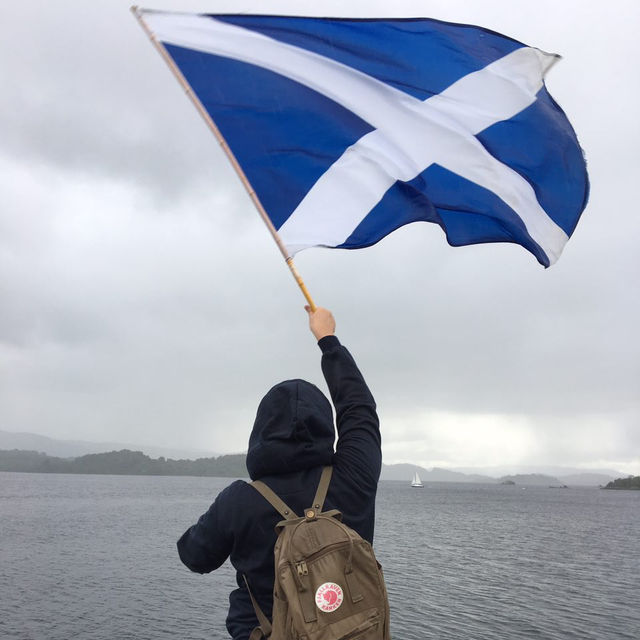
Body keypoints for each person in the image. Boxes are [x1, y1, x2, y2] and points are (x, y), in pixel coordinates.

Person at [177, 306, 382, 640]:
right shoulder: (354, 474)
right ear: (324, 427)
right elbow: (359, 410)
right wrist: (328, 340)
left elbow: (194, 556)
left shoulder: (239, 501)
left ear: (261, 431)